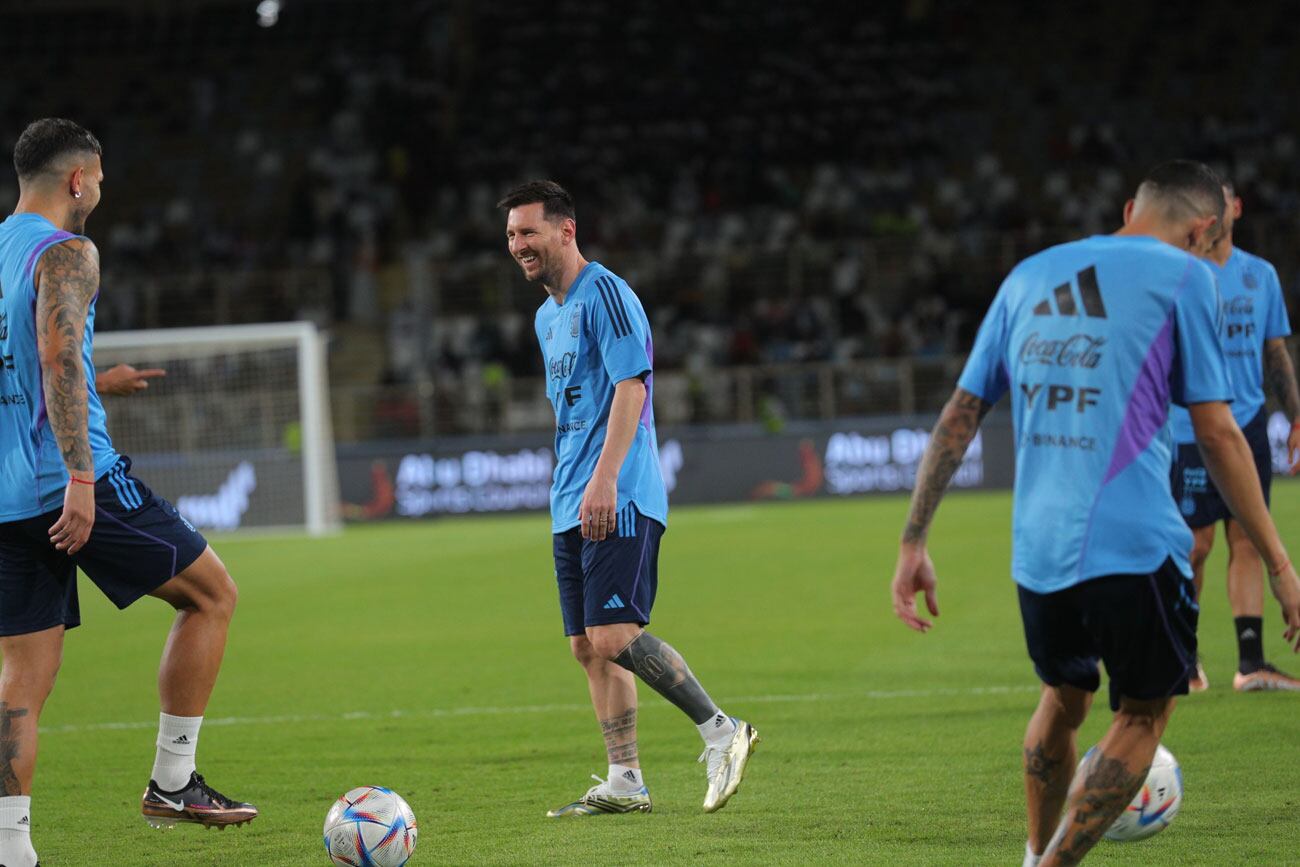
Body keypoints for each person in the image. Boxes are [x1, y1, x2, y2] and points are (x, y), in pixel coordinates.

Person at [888, 160, 1300, 867]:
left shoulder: (1029, 273)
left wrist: (913, 540)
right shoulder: (1188, 277)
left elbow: (961, 411)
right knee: (1143, 712)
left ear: (1128, 207)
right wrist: (1284, 565)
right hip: (1134, 545)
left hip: (1038, 548)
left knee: (1063, 695)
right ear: (1206, 229)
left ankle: (1031, 852)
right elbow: (1218, 431)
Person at [0, 119, 256, 867]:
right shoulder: (69, 251)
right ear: (78, 179)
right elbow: (54, 353)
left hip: (8, 496)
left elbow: (32, 356)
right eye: (100, 180)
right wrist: (81, 477)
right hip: (75, 482)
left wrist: (94, 376)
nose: (101, 193)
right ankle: (173, 781)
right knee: (211, 594)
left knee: (21, 680)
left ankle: (11, 849)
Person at [498, 180, 758, 817]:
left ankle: (722, 730)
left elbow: (632, 387)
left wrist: (606, 476)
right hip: (572, 498)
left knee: (614, 634)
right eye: (510, 235)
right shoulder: (545, 316)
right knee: (587, 646)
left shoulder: (607, 294)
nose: (519, 245)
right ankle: (626, 781)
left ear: (566, 230)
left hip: (616, 492)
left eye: (529, 232)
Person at [1167, 181, 1300, 692]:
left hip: (1249, 422)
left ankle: (1250, 663)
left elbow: (1276, 353)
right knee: (1195, 545)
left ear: (1237, 209)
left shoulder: (1260, 275)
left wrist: (1294, 415)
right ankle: (1183, 660)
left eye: (1220, 202)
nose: (1212, 212)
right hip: (1192, 425)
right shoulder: (1182, 274)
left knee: (1246, 539)